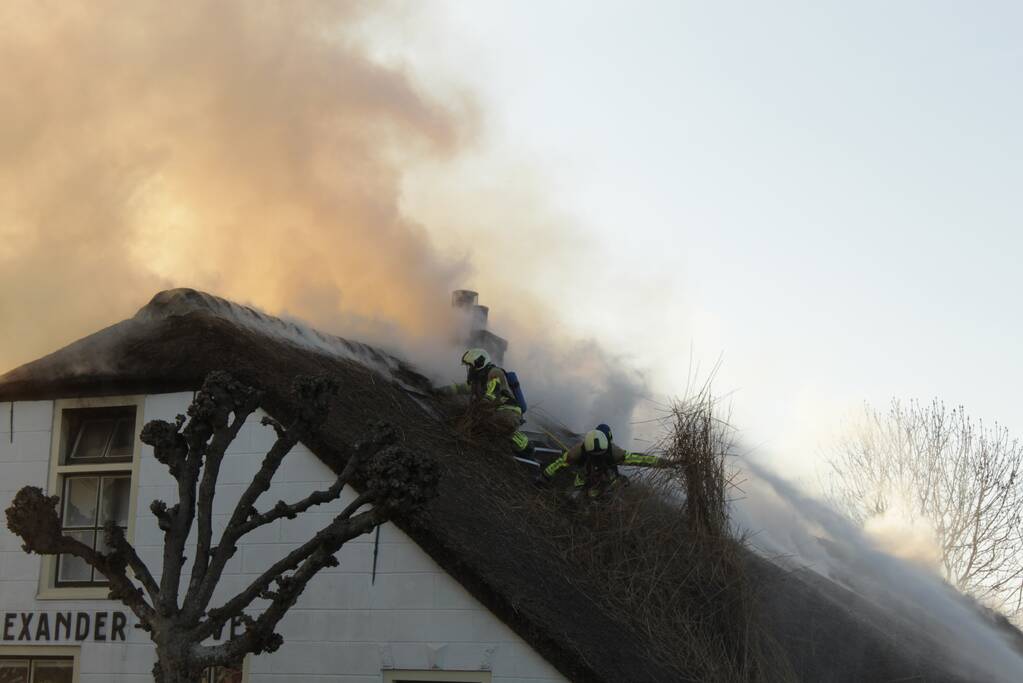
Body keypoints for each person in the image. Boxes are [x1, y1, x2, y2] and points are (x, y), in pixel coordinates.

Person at [438, 347, 533, 457]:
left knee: (494, 423)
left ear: (479, 363)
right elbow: (461, 388)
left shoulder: (495, 372)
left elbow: (493, 391)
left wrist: (482, 403)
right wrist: (442, 390)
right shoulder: (479, 380)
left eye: (471, 366)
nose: (470, 370)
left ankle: (525, 445)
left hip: (508, 410)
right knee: (482, 426)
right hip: (496, 410)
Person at [543, 423, 665, 496]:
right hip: (584, 481)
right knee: (575, 496)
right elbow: (561, 462)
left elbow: (638, 459)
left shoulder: (614, 452)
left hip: (603, 484)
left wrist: (661, 462)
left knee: (619, 482)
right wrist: (545, 475)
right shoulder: (580, 450)